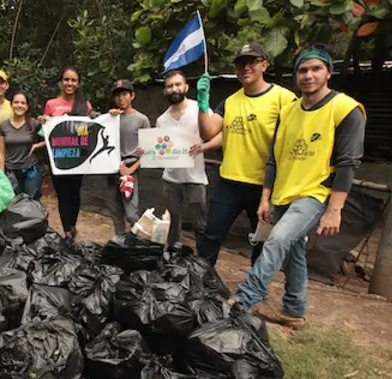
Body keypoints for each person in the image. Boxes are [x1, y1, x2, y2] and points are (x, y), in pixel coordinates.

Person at [231, 44, 366, 329]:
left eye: (316, 69)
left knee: (278, 240)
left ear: (328, 72)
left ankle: (242, 302)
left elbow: (347, 163)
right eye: (303, 70)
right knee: (293, 252)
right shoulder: (289, 111)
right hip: (282, 193)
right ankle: (294, 310)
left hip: (315, 194)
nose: (308, 75)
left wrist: (335, 210)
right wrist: (265, 198)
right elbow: (273, 159)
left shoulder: (345, 109)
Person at [192, 42, 296, 266]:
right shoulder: (230, 102)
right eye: (240, 64)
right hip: (229, 181)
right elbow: (208, 132)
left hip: (265, 186)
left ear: (264, 65)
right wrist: (203, 103)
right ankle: (200, 280)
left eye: (251, 62)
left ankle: (254, 289)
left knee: (261, 240)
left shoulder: (284, 99)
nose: (245, 68)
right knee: (211, 235)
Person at [154, 69, 212, 249]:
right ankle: (172, 257)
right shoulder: (161, 120)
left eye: (178, 84)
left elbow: (216, 133)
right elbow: (159, 151)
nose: (174, 89)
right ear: (165, 91)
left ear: (186, 87)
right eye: (170, 86)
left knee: (200, 225)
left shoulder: (200, 109)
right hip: (170, 180)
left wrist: (203, 145)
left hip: (195, 178)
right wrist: (147, 152)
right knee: (171, 225)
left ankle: (203, 263)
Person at [39, 67, 94, 245]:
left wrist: (111, 116)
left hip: (78, 158)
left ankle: (72, 224)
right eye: (66, 79)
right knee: (63, 195)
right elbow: (44, 133)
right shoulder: (51, 104)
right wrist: (43, 122)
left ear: (78, 83)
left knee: (74, 193)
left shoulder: (84, 105)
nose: (69, 83)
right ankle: (68, 232)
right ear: (61, 82)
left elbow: (93, 127)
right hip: (58, 158)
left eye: (73, 80)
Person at [106, 79, 150, 235]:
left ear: (132, 95)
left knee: (131, 213)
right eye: (117, 95)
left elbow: (149, 152)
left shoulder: (141, 119)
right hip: (111, 170)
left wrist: (131, 169)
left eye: (124, 94)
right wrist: (108, 117)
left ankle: (141, 242)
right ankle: (121, 243)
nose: (121, 98)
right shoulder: (109, 119)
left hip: (130, 171)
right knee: (115, 211)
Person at [0, 91, 45, 199]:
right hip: (10, 172)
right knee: (14, 205)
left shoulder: (34, 123)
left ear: (27, 107)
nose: (19, 105)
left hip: (31, 170)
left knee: (32, 203)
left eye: (23, 103)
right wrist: (1, 174)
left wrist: (38, 145)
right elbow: (1, 151)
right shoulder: (3, 125)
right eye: (16, 102)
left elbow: (53, 137)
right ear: (11, 105)